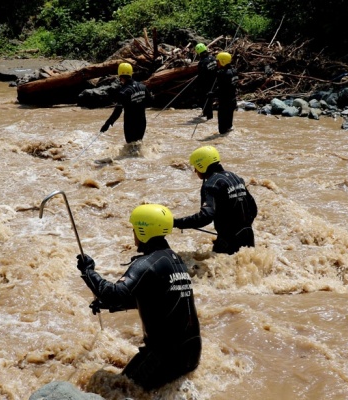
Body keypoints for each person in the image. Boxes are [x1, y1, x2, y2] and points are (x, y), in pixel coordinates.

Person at [76, 204, 202, 390]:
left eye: (135, 228)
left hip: (164, 356)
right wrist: (109, 305)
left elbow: (113, 294)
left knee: (119, 390)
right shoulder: (174, 260)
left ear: (144, 230)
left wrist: (88, 272)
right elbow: (156, 298)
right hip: (191, 351)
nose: (133, 233)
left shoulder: (146, 263)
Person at [173, 146, 257, 255]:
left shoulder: (211, 185)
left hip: (228, 241)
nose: (195, 171)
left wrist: (176, 223)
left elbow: (205, 217)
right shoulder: (235, 177)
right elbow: (253, 209)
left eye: (196, 167)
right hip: (248, 236)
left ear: (201, 165)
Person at [100, 62, 153, 144]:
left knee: (131, 146)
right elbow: (150, 101)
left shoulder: (123, 92)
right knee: (138, 144)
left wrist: (108, 123)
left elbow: (118, 111)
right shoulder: (142, 86)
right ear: (131, 73)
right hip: (142, 121)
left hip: (130, 124)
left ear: (120, 75)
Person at [209, 52, 238, 134]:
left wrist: (212, 94)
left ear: (223, 61)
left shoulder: (223, 74)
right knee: (229, 126)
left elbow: (222, 89)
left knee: (222, 129)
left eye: (218, 61)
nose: (216, 63)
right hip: (232, 100)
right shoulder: (234, 71)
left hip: (225, 102)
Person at [194, 43, 217, 120]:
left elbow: (201, 76)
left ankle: (209, 117)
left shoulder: (202, 62)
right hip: (215, 82)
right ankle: (205, 114)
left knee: (206, 99)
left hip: (206, 83)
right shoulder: (213, 58)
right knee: (208, 99)